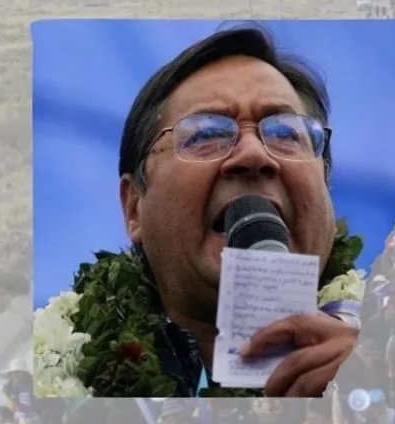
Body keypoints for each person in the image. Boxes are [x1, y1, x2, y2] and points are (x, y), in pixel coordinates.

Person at [33, 26, 365, 398]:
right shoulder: (34, 381)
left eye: (286, 134)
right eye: (207, 134)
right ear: (133, 207)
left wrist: (382, 392)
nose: (254, 155)